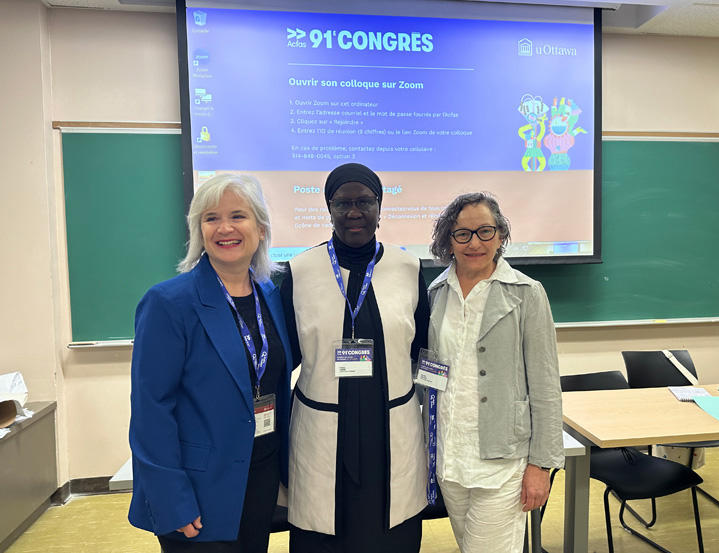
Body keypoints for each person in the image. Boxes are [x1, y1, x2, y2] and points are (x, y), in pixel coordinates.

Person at [128, 174, 293, 553]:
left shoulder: (269, 292)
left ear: (261, 228)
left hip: (259, 475)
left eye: (238, 215)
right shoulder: (169, 303)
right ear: (198, 230)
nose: (225, 228)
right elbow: (151, 410)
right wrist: (172, 498)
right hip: (198, 488)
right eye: (211, 218)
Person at [280, 162, 429, 553]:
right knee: (322, 535)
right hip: (324, 433)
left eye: (364, 201)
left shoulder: (408, 268)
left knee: (391, 536)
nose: (354, 212)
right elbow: (285, 358)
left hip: (390, 432)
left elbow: (424, 352)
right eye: (342, 203)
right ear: (328, 208)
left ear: (380, 206)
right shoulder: (300, 271)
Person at [425, 192, 564, 553]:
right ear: (448, 241)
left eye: (485, 231)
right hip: (450, 458)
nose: (475, 243)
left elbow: (546, 387)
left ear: (501, 235)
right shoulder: (435, 293)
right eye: (463, 234)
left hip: (503, 461)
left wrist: (541, 465)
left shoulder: (527, 294)